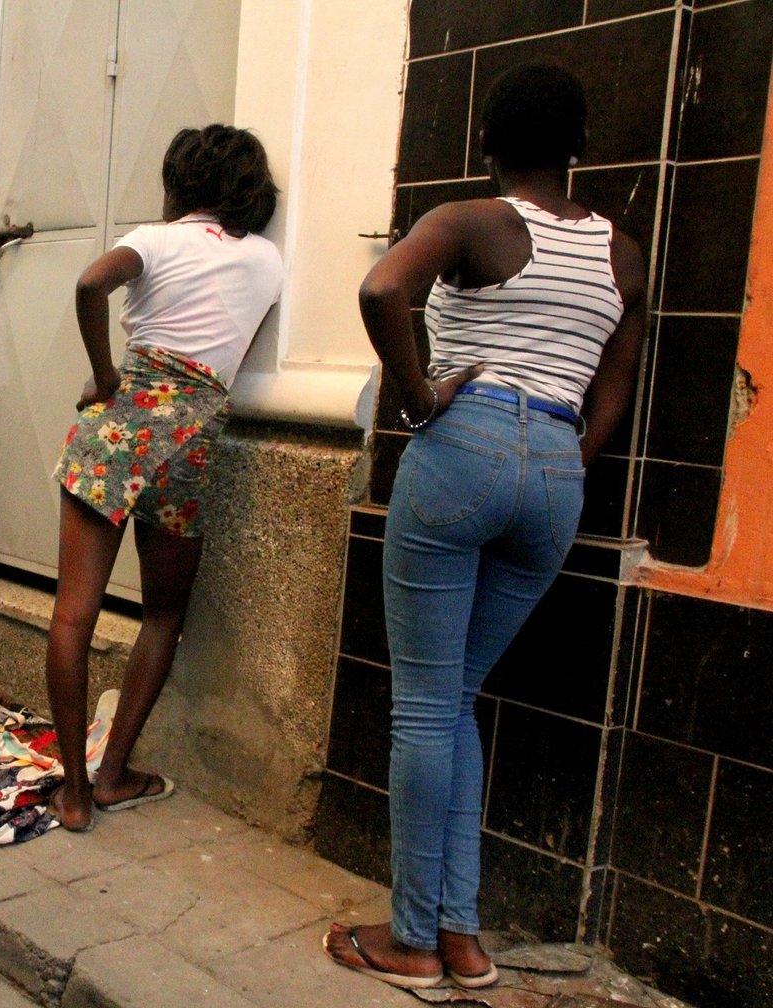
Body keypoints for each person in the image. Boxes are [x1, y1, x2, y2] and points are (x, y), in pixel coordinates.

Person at [322, 63, 646, 989]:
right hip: (555, 468)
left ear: (491, 144)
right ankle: (461, 939)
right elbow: (613, 391)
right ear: (577, 148)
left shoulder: (472, 220)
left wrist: (423, 400)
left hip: (462, 446)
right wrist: (554, 467)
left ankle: (415, 941)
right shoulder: (625, 255)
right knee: (456, 701)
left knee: (425, 706)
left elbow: (383, 292)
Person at [43, 125, 284, 833]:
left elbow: (91, 281)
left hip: (116, 429)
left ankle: (75, 795)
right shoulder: (268, 259)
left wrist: (108, 372)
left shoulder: (156, 239)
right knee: (163, 614)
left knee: (72, 615)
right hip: (191, 440)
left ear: (180, 184)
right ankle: (114, 772)